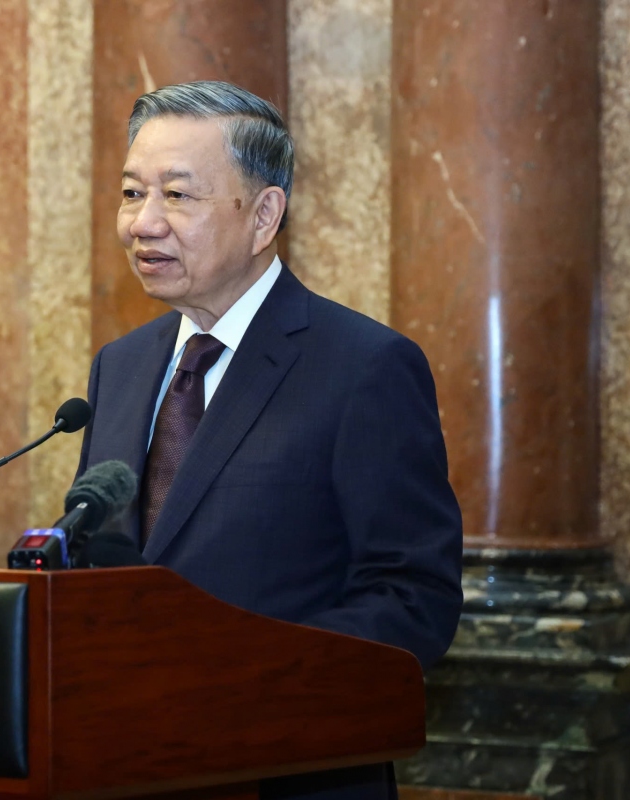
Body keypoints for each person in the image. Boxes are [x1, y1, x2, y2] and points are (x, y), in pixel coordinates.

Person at [74, 80, 463, 800]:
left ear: (263, 215)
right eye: (132, 193)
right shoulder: (119, 368)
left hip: (292, 775)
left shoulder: (364, 367)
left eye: (177, 195)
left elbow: (414, 594)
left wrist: (246, 686)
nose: (143, 224)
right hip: (126, 768)